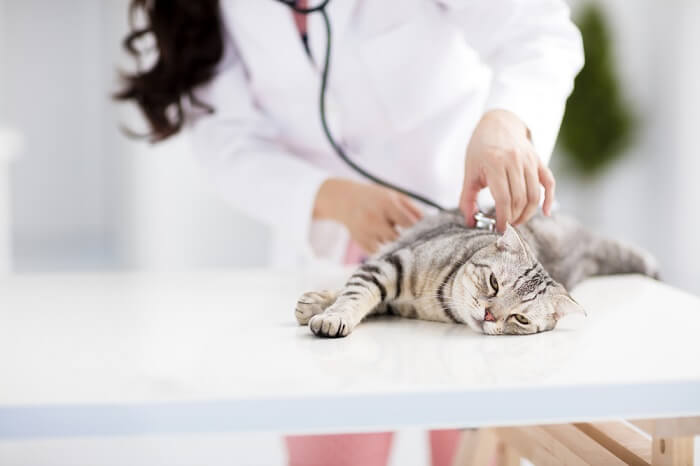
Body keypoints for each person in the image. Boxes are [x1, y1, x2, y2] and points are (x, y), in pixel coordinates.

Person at [116, 1, 583, 464]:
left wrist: (506, 122)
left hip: (468, 249)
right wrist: (328, 197)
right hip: (329, 258)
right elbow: (225, 139)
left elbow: (538, 33)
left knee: (469, 451)